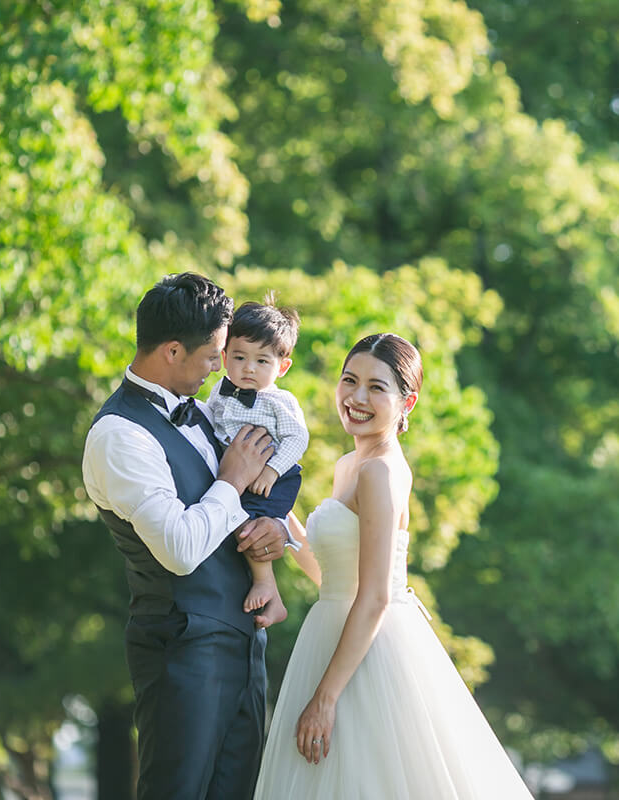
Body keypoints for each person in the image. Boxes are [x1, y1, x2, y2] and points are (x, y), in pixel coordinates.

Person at [253, 333, 535, 799]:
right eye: (349, 381)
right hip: (329, 632)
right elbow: (333, 576)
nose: (357, 398)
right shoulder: (349, 464)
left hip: (370, 655)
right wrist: (274, 511)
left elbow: (377, 593)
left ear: (408, 401)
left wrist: (325, 697)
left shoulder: (381, 471)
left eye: (376, 387)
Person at [82, 272, 292, 800]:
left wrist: (274, 529)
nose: (223, 366)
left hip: (244, 642)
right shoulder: (119, 436)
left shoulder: (205, 408)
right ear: (173, 350)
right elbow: (179, 550)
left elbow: (239, 501)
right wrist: (231, 480)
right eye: (214, 354)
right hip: (182, 652)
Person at [206, 294, 308, 628]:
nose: (248, 368)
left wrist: (271, 469)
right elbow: (208, 420)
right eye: (239, 357)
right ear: (224, 356)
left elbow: (298, 439)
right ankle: (270, 595)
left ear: (282, 366)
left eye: (262, 361)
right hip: (238, 472)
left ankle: (265, 584)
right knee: (231, 521)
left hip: (275, 476)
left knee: (252, 529)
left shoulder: (280, 401)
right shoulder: (219, 392)